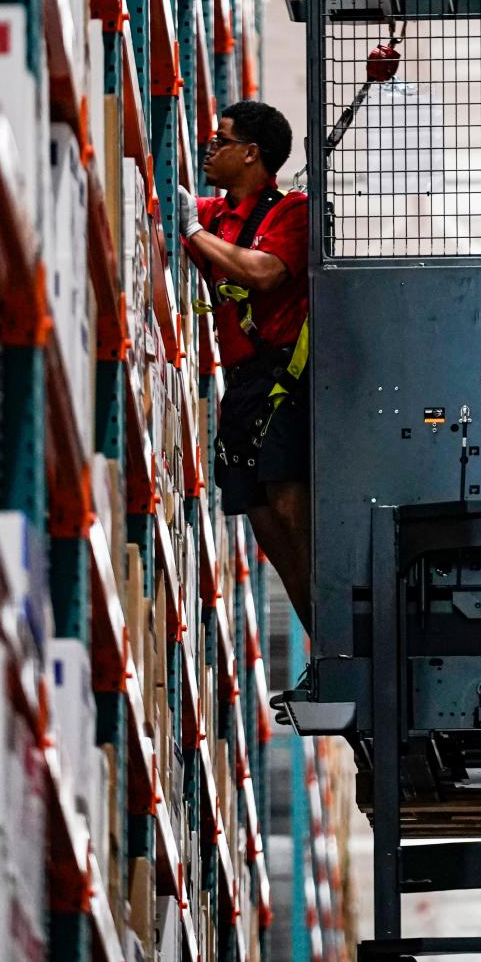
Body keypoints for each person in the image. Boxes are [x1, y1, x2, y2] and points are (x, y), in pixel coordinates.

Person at [179, 100, 311, 633]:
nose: (210, 148)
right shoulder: (214, 217)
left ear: (251, 153)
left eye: (222, 139)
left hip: (283, 381)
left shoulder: (291, 211)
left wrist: (192, 232)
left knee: (288, 507)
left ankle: (335, 644)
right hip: (241, 386)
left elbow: (265, 272)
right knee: (262, 519)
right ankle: (321, 637)